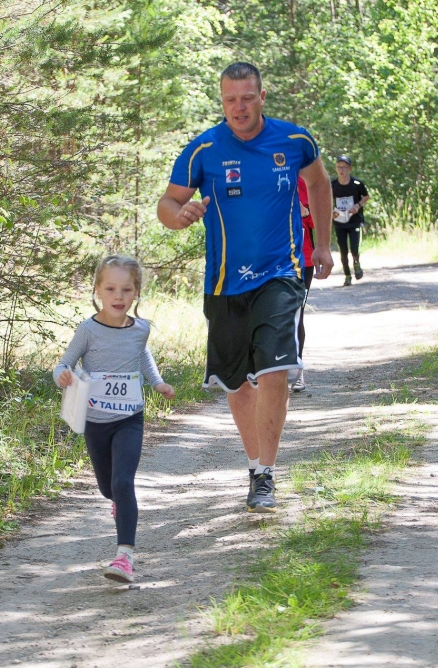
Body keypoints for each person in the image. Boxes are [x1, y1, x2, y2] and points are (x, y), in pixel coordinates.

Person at [156, 61, 334, 513]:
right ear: (222, 101)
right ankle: (255, 464)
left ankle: (266, 475)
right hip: (224, 282)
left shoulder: (294, 141)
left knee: (274, 369)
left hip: (282, 272)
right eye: (231, 99)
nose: (239, 106)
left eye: (247, 97)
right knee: (237, 384)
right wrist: (177, 216)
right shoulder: (203, 150)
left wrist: (324, 246)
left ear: (261, 96)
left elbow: (318, 183)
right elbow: (169, 201)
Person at [54, 255, 175, 582]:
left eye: (126, 289)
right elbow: (63, 364)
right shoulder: (88, 330)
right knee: (109, 488)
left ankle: (124, 556)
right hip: (95, 421)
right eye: (110, 288)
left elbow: (143, 356)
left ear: (136, 292)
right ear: (97, 290)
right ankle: (118, 502)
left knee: (124, 483)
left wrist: (158, 382)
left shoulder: (141, 329)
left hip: (129, 418)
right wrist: (63, 375)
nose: (118, 296)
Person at [293, 176, 317, 393]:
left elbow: (317, 222)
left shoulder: (305, 183)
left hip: (304, 260)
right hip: (273, 260)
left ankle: (298, 371)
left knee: (297, 313)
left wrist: (305, 212)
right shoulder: (264, 176)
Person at [330, 155, 369, 286]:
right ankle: (347, 275)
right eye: (339, 167)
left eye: (344, 167)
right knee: (343, 250)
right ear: (336, 168)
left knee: (354, 247)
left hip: (354, 220)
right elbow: (326, 201)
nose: (342, 170)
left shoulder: (357, 184)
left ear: (350, 169)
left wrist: (357, 206)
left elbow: (366, 196)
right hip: (339, 221)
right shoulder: (332, 185)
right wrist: (331, 212)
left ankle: (357, 264)